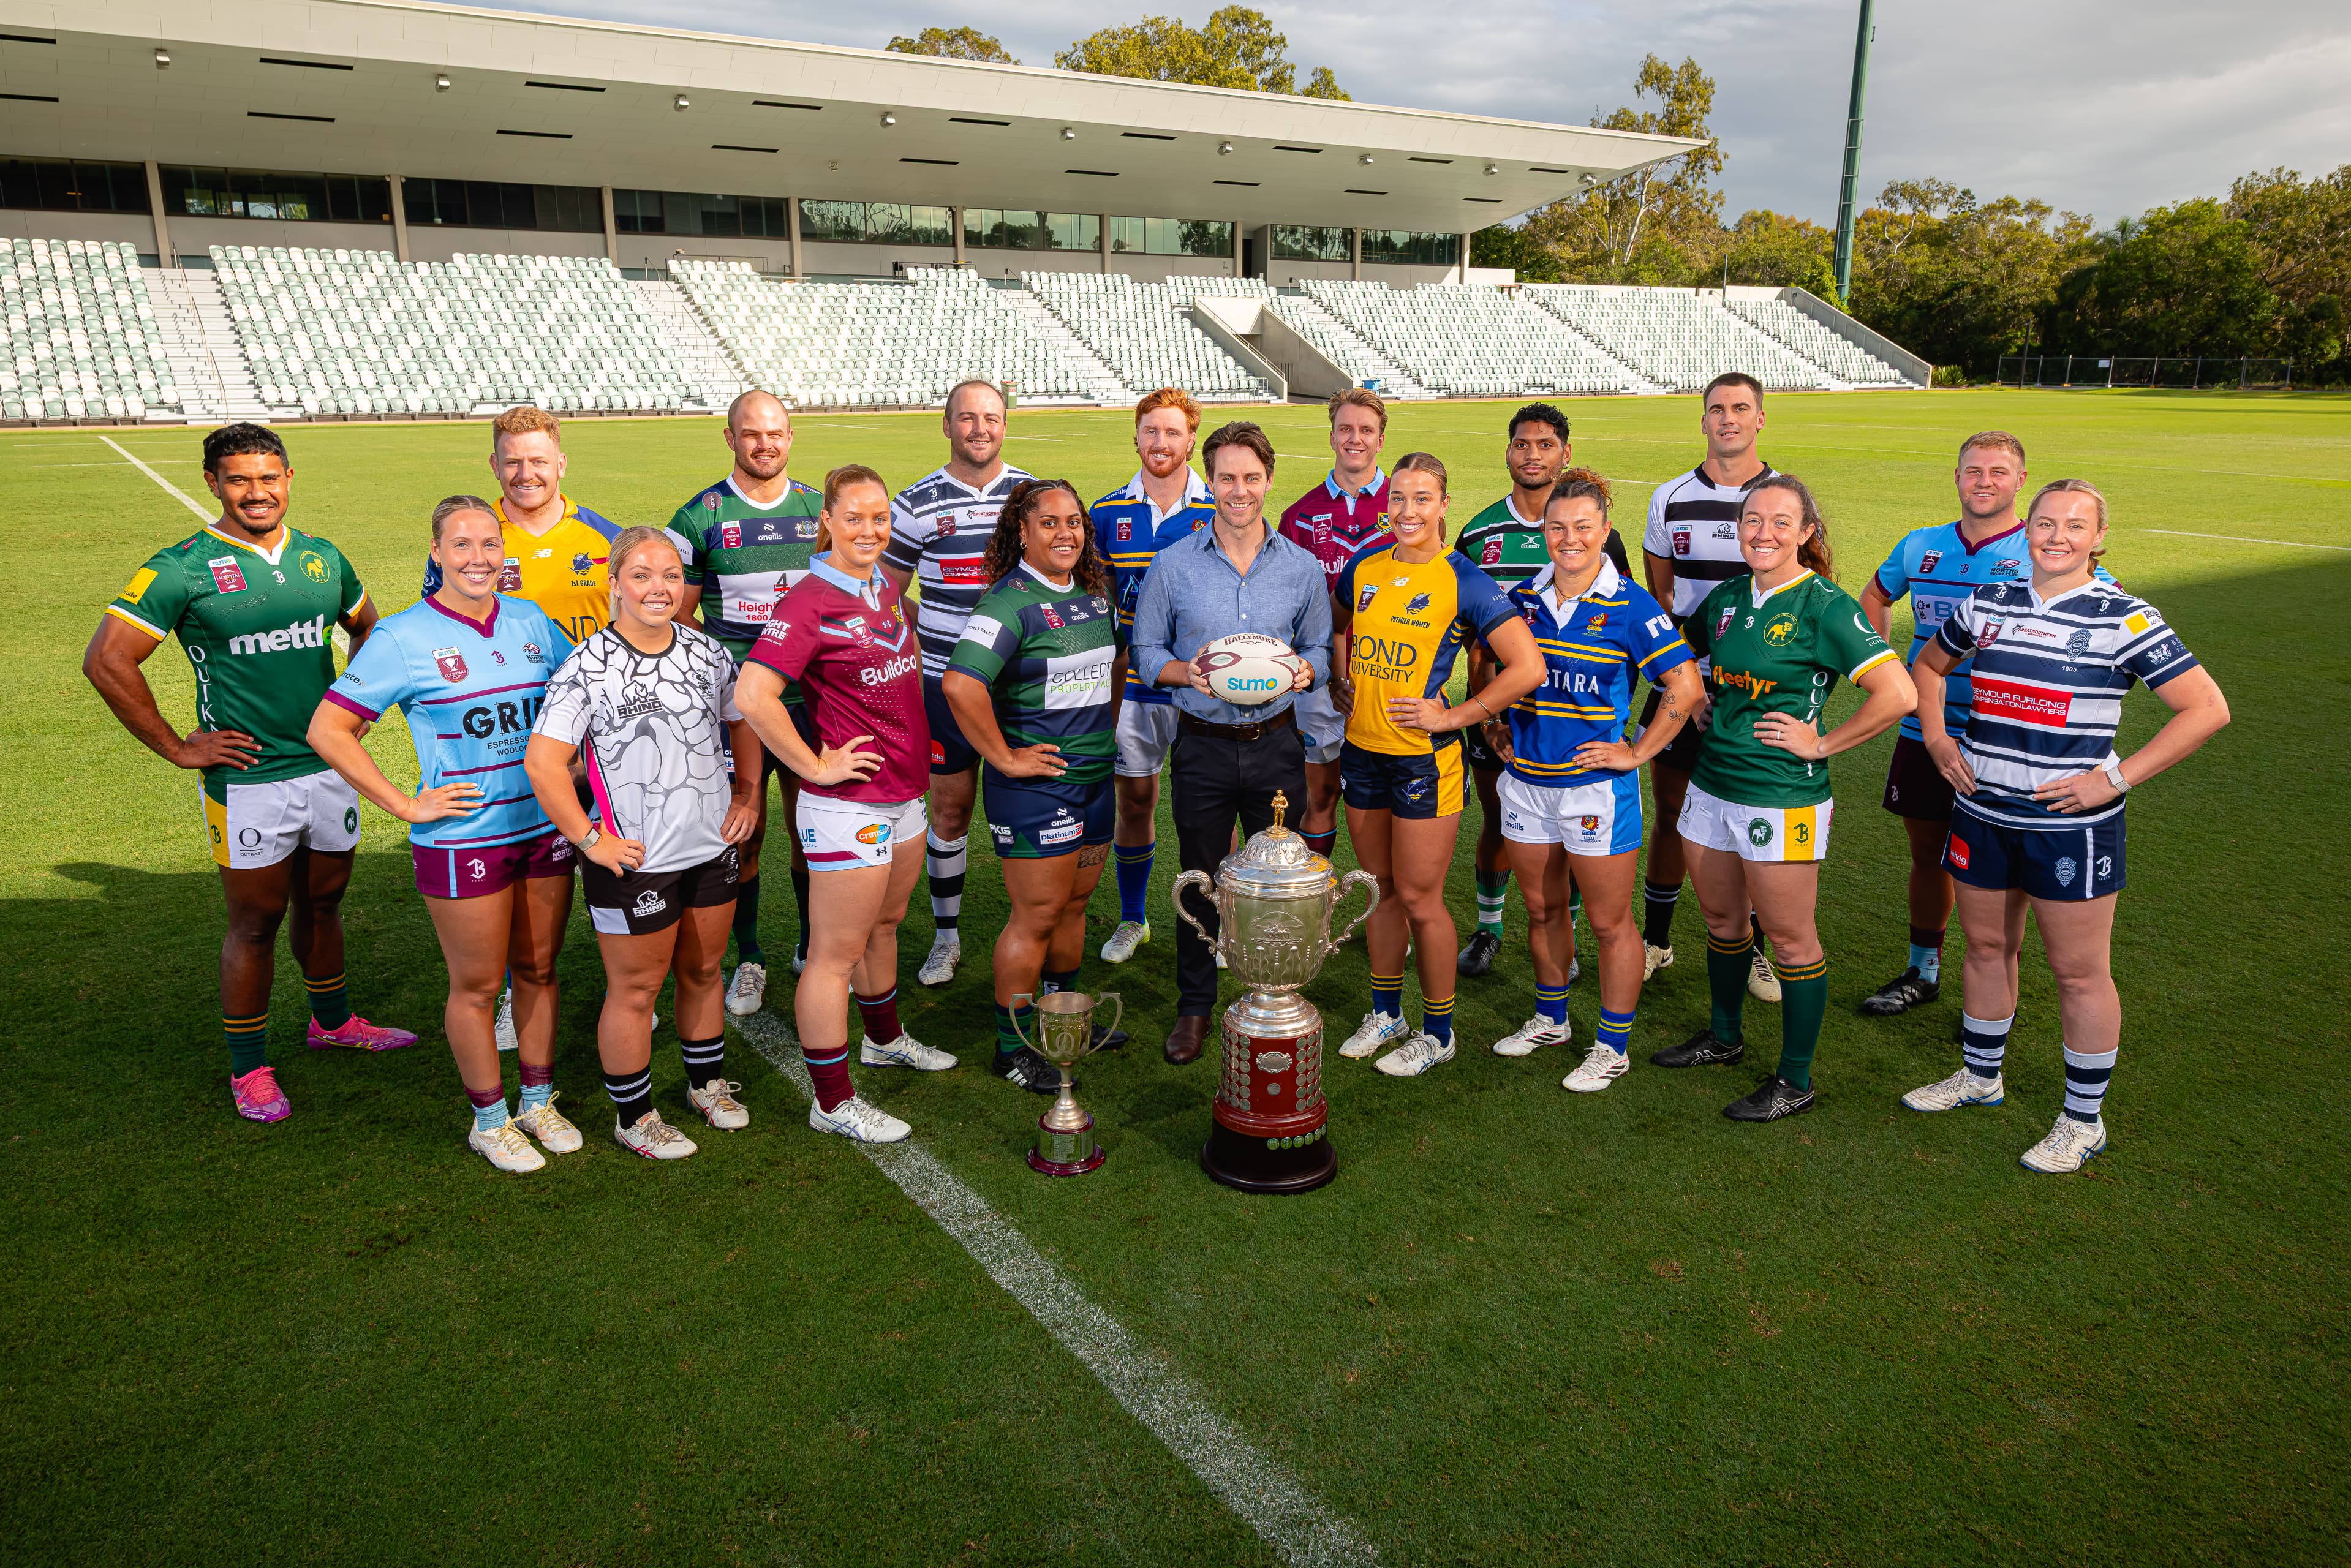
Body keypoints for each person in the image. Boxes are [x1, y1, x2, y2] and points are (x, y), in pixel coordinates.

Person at [85, 423, 413, 1125]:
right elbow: (108, 660)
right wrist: (178, 747)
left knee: (324, 903)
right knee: (256, 922)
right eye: (239, 479)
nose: (257, 492)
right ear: (213, 483)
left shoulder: (323, 558)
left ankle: (332, 1021)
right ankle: (250, 1067)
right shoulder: (180, 568)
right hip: (249, 779)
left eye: (269, 477)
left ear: (289, 478)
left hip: (327, 769)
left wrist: (354, 709)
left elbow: (370, 630)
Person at [1901, 480, 2227, 1173]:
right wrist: (1936, 740)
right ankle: (1980, 1077)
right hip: (1983, 809)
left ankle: (2083, 1121)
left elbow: (2205, 708)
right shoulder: (1988, 601)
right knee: (1987, 946)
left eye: (2074, 526)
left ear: (2097, 538)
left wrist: (2111, 779)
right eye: (2045, 523)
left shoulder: (2125, 617)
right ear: (2027, 531)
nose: (2056, 536)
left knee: (2078, 972)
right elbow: (1927, 666)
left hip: (2069, 827)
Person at [308, 496, 579, 1172]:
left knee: (540, 973)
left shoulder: (531, 622)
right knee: (479, 987)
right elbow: (327, 729)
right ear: (436, 553)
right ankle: (489, 1121)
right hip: (466, 840)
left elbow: (581, 699)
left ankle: (538, 1101)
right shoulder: (402, 637)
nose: (478, 558)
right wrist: (404, 804)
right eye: (461, 546)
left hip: (545, 827)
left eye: (490, 545)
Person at [1654, 474, 1915, 1122]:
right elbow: (1689, 664)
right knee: (1721, 922)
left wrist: (1822, 744)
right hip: (1712, 783)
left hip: (1780, 798)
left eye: (1780, 522)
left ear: (1805, 533)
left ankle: (1794, 1080)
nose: (1763, 532)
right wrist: (1698, 706)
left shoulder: (1824, 605)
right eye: (1752, 520)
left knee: (1793, 940)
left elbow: (1898, 694)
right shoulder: (1725, 597)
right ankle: (1723, 1038)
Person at [526, 527, 760, 1160]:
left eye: (668, 575)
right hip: (636, 862)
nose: (658, 588)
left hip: (710, 847)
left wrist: (747, 796)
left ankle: (707, 1085)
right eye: (641, 575)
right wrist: (589, 839)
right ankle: (634, 1116)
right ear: (615, 586)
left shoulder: (708, 654)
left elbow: (743, 722)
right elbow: (544, 763)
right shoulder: (587, 666)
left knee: (705, 970)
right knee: (635, 991)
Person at [1858, 431, 2111, 1017]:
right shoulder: (1920, 545)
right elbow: (1874, 596)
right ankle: (1923, 971)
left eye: (1999, 472)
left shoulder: (2043, 548)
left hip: (2010, 742)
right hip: (1928, 731)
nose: (1985, 482)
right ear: (1956, 477)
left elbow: (2099, 619)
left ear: (2021, 481)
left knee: (2007, 873)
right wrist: (1893, 668)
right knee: (1928, 854)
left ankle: (1995, 995)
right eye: (1974, 471)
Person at [738, 464, 949, 1145]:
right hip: (847, 803)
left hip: (904, 791)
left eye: (880, 517)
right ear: (825, 520)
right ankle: (830, 1100)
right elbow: (752, 696)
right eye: (853, 517)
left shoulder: (884, 580)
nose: (869, 529)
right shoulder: (807, 602)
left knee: (885, 924)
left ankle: (883, 1039)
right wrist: (813, 765)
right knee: (834, 954)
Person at [1481, 471, 1701, 1093]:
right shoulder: (1522, 599)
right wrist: (1495, 722)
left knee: (1608, 924)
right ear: (1542, 531)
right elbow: (1491, 666)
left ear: (1605, 530)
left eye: (1582, 527)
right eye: (1556, 527)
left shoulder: (1631, 604)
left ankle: (1612, 1044)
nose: (1569, 538)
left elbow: (1685, 689)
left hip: (1593, 792)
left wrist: (1636, 753)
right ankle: (1551, 1019)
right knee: (1543, 907)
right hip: (1524, 782)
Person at [1329, 453, 1544, 1076]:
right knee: (1381, 890)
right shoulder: (1364, 565)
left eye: (1422, 499)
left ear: (1444, 505)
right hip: (1362, 751)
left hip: (1424, 762)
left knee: (1421, 897)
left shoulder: (1465, 580)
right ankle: (1385, 1012)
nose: (1407, 511)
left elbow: (1526, 667)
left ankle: (1439, 1030)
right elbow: (1339, 624)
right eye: (1397, 498)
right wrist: (1341, 678)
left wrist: (1457, 715)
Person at [1129, 423, 1332, 1066]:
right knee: (1200, 876)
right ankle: (1195, 1006)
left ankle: (1272, 992)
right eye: (1225, 478)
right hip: (1203, 744)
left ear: (1268, 480)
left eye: (1250, 477)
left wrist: (1307, 670)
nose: (1238, 490)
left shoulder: (1301, 567)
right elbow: (1145, 651)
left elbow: (1321, 649)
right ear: (1208, 481)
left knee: (1271, 880)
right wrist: (1183, 671)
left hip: (1276, 743)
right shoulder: (1173, 563)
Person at [423, 404, 622, 1052]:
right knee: (527, 875)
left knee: (623, 863)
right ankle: (518, 987)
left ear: (561, 462)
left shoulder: (603, 538)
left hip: (607, 738)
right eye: (513, 461)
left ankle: (632, 989)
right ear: (493, 465)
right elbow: (440, 625)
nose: (526, 472)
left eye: (538, 460)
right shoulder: (478, 540)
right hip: (514, 745)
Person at [945, 480, 1128, 1090]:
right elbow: (960, 684)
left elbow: (1117, 665)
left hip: (1095, 781)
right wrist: (1005, 757)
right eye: (1048, 523)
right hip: (1036, 790)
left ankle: (1063, 1024)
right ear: (1021, 531)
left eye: (1074, 521)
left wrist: (1105, 730)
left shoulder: (1095, 595)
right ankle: (1012, 1047)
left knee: (1073, 906)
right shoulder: (1007, 603)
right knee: (1036, 914)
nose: (1065, 533)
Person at [1454, 404, 1631, 978]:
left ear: (1566, 454)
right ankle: (1488, 926)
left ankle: (1567, 933)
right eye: (1523, 443)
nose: (1533, 454)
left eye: (1546, 444)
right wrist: (1484, 709)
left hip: (1581, 721)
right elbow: (1466, 634)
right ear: (1508, 452)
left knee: (1578, 835)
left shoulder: (1601, 534)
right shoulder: (1479, 532)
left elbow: (1624, 624)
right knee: (1499, 818)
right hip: (1500, 716)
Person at [667, 390, 823, 1017]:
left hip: (815, 704)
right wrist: (734, 677)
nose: (765, 444)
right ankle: (751, 956)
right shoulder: (696, 517)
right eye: (751, 433)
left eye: (776, 433)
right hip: (738, 711)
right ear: (730, 438)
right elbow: (680, 616)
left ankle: (812, 946)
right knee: (745, 833)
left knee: (812, 832)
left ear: (790, 437)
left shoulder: (820, 511)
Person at [880, 380, 1033, 987]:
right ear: (947, 425)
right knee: (948, 809)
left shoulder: (1029, 496)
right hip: (944, 686)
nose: (979, 428)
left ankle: (1032, 928)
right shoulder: (915, 502)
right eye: (967, 418)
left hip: (1016, 686)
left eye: (990, 418)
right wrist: (936, 624)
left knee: (1024, 809)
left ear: (1003, 425)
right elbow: (888, 592)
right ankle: (947, 938)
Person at [1639, 374, 1783, 1003]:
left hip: (1754, 695)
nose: (1727, 419)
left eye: (1740, 409)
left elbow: (1803, 593)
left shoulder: (1783, 497)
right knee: (1670, 814)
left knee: (1751, 822)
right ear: (1702, 421)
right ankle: (1656, 941)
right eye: (1716, 409)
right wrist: (1686, 679)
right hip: (1683, 684)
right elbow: (1662, 602)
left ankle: (1753, 950)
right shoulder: (1668, 497)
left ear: (1759, 420)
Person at [1090, 388, 1216, 965]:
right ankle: (1133, 918)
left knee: (1211, 809)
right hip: (1135, 686)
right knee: (1135, 800)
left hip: (1203, 687)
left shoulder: (1220, 508)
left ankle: (1216, 924)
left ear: (1192, 439)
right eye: (1151, 431)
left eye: (1173, 433)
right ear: (1136, 436)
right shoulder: (1107, 512)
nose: (1161, 443)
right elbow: (1100, 604)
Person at [1275, 386, 1392, 859]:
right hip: (1320, 679)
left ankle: (1385, 916)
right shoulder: (1299, 516)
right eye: (1346, 429)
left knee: (1381, 803)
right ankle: (1315, 910)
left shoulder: (1407, 506)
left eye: (1366, 430)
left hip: (1388, 677)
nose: (1355, 439)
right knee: (1319, 795)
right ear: (1331, 436)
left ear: (1381, 440)